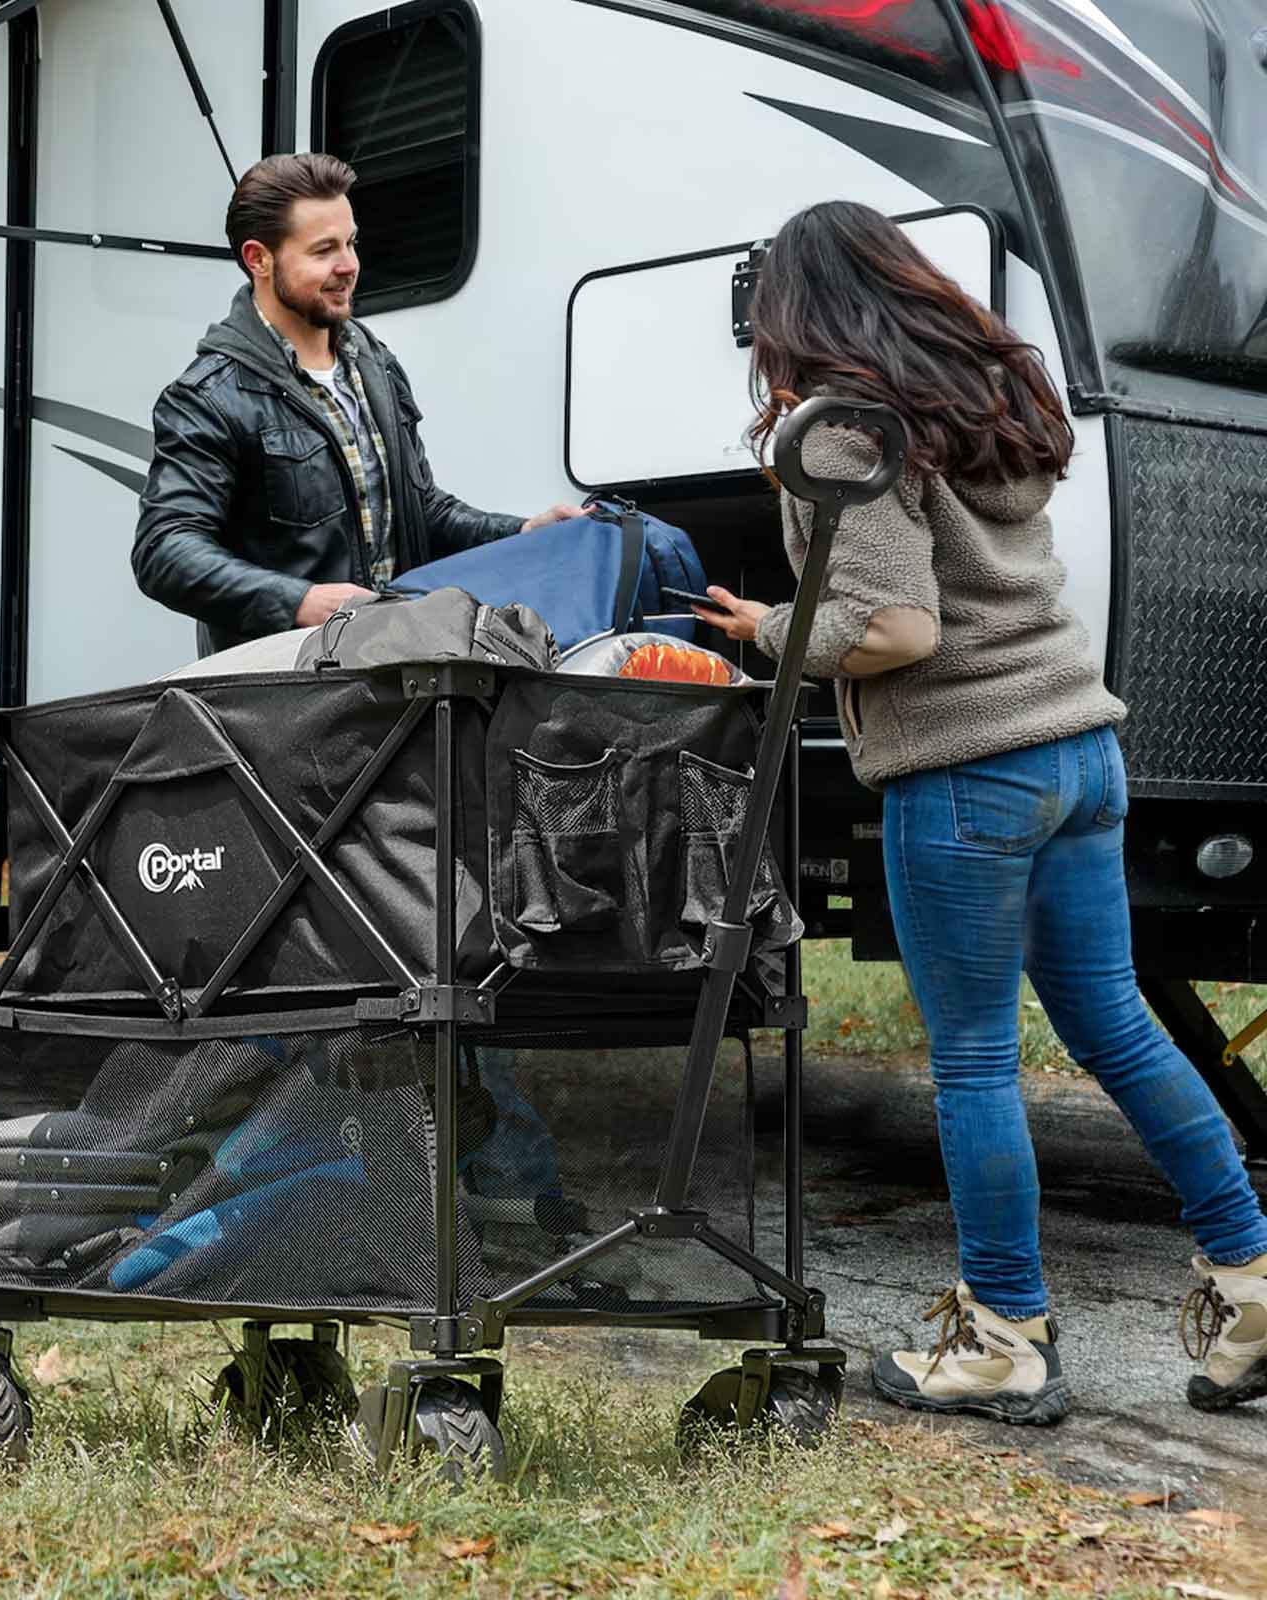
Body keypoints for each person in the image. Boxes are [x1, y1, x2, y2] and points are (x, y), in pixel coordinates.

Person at [693, 200, 1267, 1425]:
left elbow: (900, 628)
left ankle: (1001, 1331)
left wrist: (770, 635)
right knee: (1114, 1025)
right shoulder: (984, 395)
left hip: (966, 769)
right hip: (1079, 748)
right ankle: (1252, 1275)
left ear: (794, 307)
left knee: (970, 1061)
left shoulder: (842, 431)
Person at [133, 153, 583, 654]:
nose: (349, 265)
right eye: (324, 250)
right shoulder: (209, 397)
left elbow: (423, 511)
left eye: (351, 243)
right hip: (285, 688)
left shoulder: (375, 366)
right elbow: (164, 550)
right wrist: (300, 601)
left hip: (398, 668)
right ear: (259, 258)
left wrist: (523, 532)